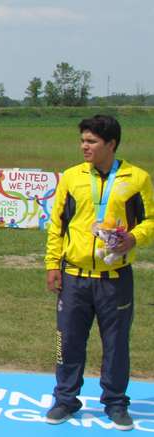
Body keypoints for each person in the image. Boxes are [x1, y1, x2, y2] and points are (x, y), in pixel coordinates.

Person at [44, 115, 153, 430]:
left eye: (91, 141)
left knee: (117, 344)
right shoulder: (72, 177)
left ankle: (116, 403)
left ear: (111, 144)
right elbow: (57, 225)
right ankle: (65, 400)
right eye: (82, 141)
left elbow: (150, 220)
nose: (84, 147)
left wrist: (134, 238)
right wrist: (53, 264)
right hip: (75, 276)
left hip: (115, 279)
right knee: (67, 342)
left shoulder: (137, 178)